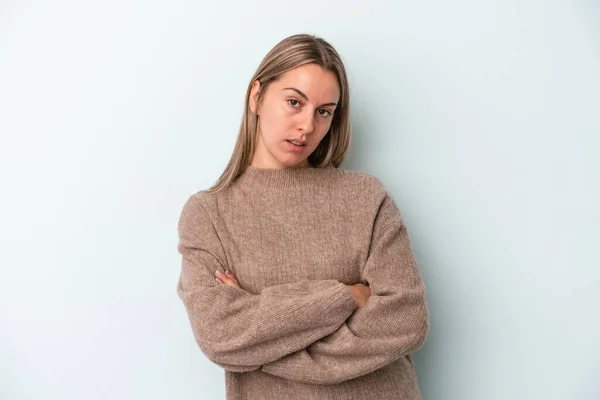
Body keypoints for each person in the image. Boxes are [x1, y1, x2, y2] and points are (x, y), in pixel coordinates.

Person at [176, 33, 429, 400]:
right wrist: (345, 294)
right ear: (257, 97)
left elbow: (406, 319)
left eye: (324, 111)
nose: (308, 126)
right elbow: (221, 336)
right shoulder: (208, 214)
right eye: (295, 102)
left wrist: (262, 342)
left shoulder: (364, 196)